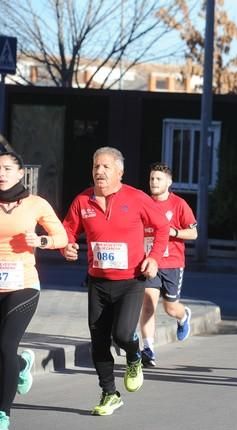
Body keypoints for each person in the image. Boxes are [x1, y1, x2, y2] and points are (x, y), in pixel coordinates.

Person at [61, 147, 169, 416]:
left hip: (131, 280)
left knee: (122, 335)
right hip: (97, 282)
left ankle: (134, 357)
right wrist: (67, 246)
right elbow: (67, 230)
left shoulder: (136, 197)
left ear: (119, 172)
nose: (99, 171)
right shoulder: (83, 201)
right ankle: (109, 393)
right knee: (98, 342)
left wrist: (154, 258)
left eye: (106, 167)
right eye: (96, 166)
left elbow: (162, 227)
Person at [0, 150, 68, 430]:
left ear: (19, 173)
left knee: (5, 346)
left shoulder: (35, 204)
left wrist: (40, 239)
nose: (0, 174)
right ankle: (22, 364)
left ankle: (3, 414)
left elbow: (61, 237)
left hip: (24, 284)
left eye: (6, 168)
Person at [139, 162, 197, 367]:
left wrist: (174, 232)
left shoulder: (179, 204)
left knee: (170, 308)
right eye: (152, 179)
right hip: (150, 261)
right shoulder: (143, 203)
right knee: (148, 304)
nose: (154, 182)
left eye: (158, 179)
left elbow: (194, 233)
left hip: (172, 263)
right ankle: (148, 349)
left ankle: (183, 316)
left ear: (169, 183)